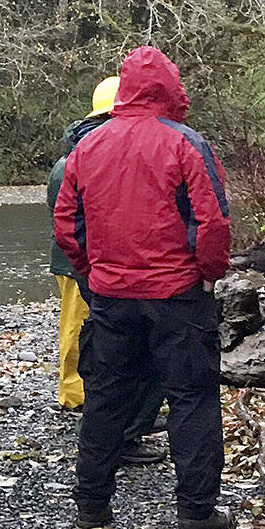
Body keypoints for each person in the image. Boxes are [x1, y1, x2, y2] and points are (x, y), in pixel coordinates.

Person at [54, 45, 233, 529]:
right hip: (177, 294)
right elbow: (212, 221)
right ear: (171, 89)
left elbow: (68, 224)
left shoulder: (88, 147)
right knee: (192, 398)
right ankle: (196, 511)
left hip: (113, 295)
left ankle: (92, 503)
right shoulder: (185, 143)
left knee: (106, 398)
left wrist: (92, 273)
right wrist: (208, 272)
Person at [47, 76, 167, 463]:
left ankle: (102, 406)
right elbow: (65, 218)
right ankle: (74, 394)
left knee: (98, 335)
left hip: (99, 263)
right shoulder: (72, 161)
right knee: (76, 329)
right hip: (76, 262)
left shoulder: (94, 153)